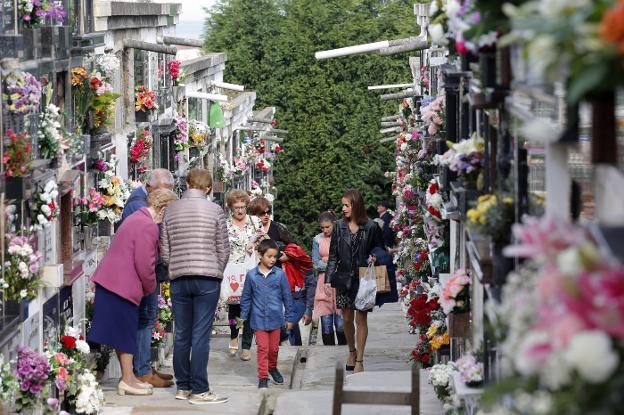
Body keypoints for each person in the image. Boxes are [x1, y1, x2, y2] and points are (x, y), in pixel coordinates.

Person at [88, 188, 178, 396]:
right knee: (126, 334)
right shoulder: (148, 226)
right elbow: (145, 264)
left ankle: (128, 378)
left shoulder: (136, 217)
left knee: (123, 335)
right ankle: (128, 380)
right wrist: (150, 288)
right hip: (121, 286)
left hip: (113, 283)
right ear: (163, 209)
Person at [160, 168, 230, 405]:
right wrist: (218, 271)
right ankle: (200, 390)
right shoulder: (215, 210)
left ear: (187, 184)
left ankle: (183, 387)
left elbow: (165, 249)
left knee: (182, 334)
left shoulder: (170, 210)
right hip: (207, 277)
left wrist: (175, 267)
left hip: (179, 277)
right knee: (200, 335)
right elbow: (223, 248)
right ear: (208, 188)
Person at [119, 168, 175, 388]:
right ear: (150, 187)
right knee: (145, 318)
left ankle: (144, 367)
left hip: (148, 271)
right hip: (141, 275)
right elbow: (142, 249)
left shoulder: (144, 204)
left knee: (148, 317)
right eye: (162, 195)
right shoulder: (138, 206)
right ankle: (141, 370)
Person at [325, 189, 385, 373]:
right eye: (342, 205)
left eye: (346, 205)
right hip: (343, 278)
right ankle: (351, 350)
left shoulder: (371, 226)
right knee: (346, 320)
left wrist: (375, 256)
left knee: (362, 318)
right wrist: (328, 279)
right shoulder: (339, 227)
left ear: (356, 205)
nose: (343, 208)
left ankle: (359, 359)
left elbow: (380, 249)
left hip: (364, 277)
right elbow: (333, 255)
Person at [240, 239, 295, 389]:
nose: (272, 259)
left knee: (274, 349)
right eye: (269, 256)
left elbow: (287, 297)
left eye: (274, 257)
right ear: (260, 255)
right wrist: (243, 317)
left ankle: (272, 367)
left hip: (276, 320)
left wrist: (289, 317)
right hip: (258, 320)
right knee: (263, 349)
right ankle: (263, 377)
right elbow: (246, 298)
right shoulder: (251, 276)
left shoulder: (279, 275)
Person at [225, 189, 259, 361]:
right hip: (232, 273)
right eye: (236, 207)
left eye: (243, 207)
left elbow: (264, 242)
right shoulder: (225, 225)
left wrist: (254, 246)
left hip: (251, 271)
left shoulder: (254, 222)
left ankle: (246, 346)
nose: (240, 210)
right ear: (230, 208)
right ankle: (233, 334)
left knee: (250, 309)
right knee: (234, 310)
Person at [311, 211, 346, 346]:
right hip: (323, 283)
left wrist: (326, 261)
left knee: (340, 321)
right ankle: (327, 351)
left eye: (327, 227)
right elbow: (315, 262)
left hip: (340, 282)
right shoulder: (317, 240)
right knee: (326, 321)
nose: (325, 230)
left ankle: (344, 350)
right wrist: (332, 264)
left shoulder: (342, 237)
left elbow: (345, 260)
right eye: (322, 227)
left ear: (334, 224)